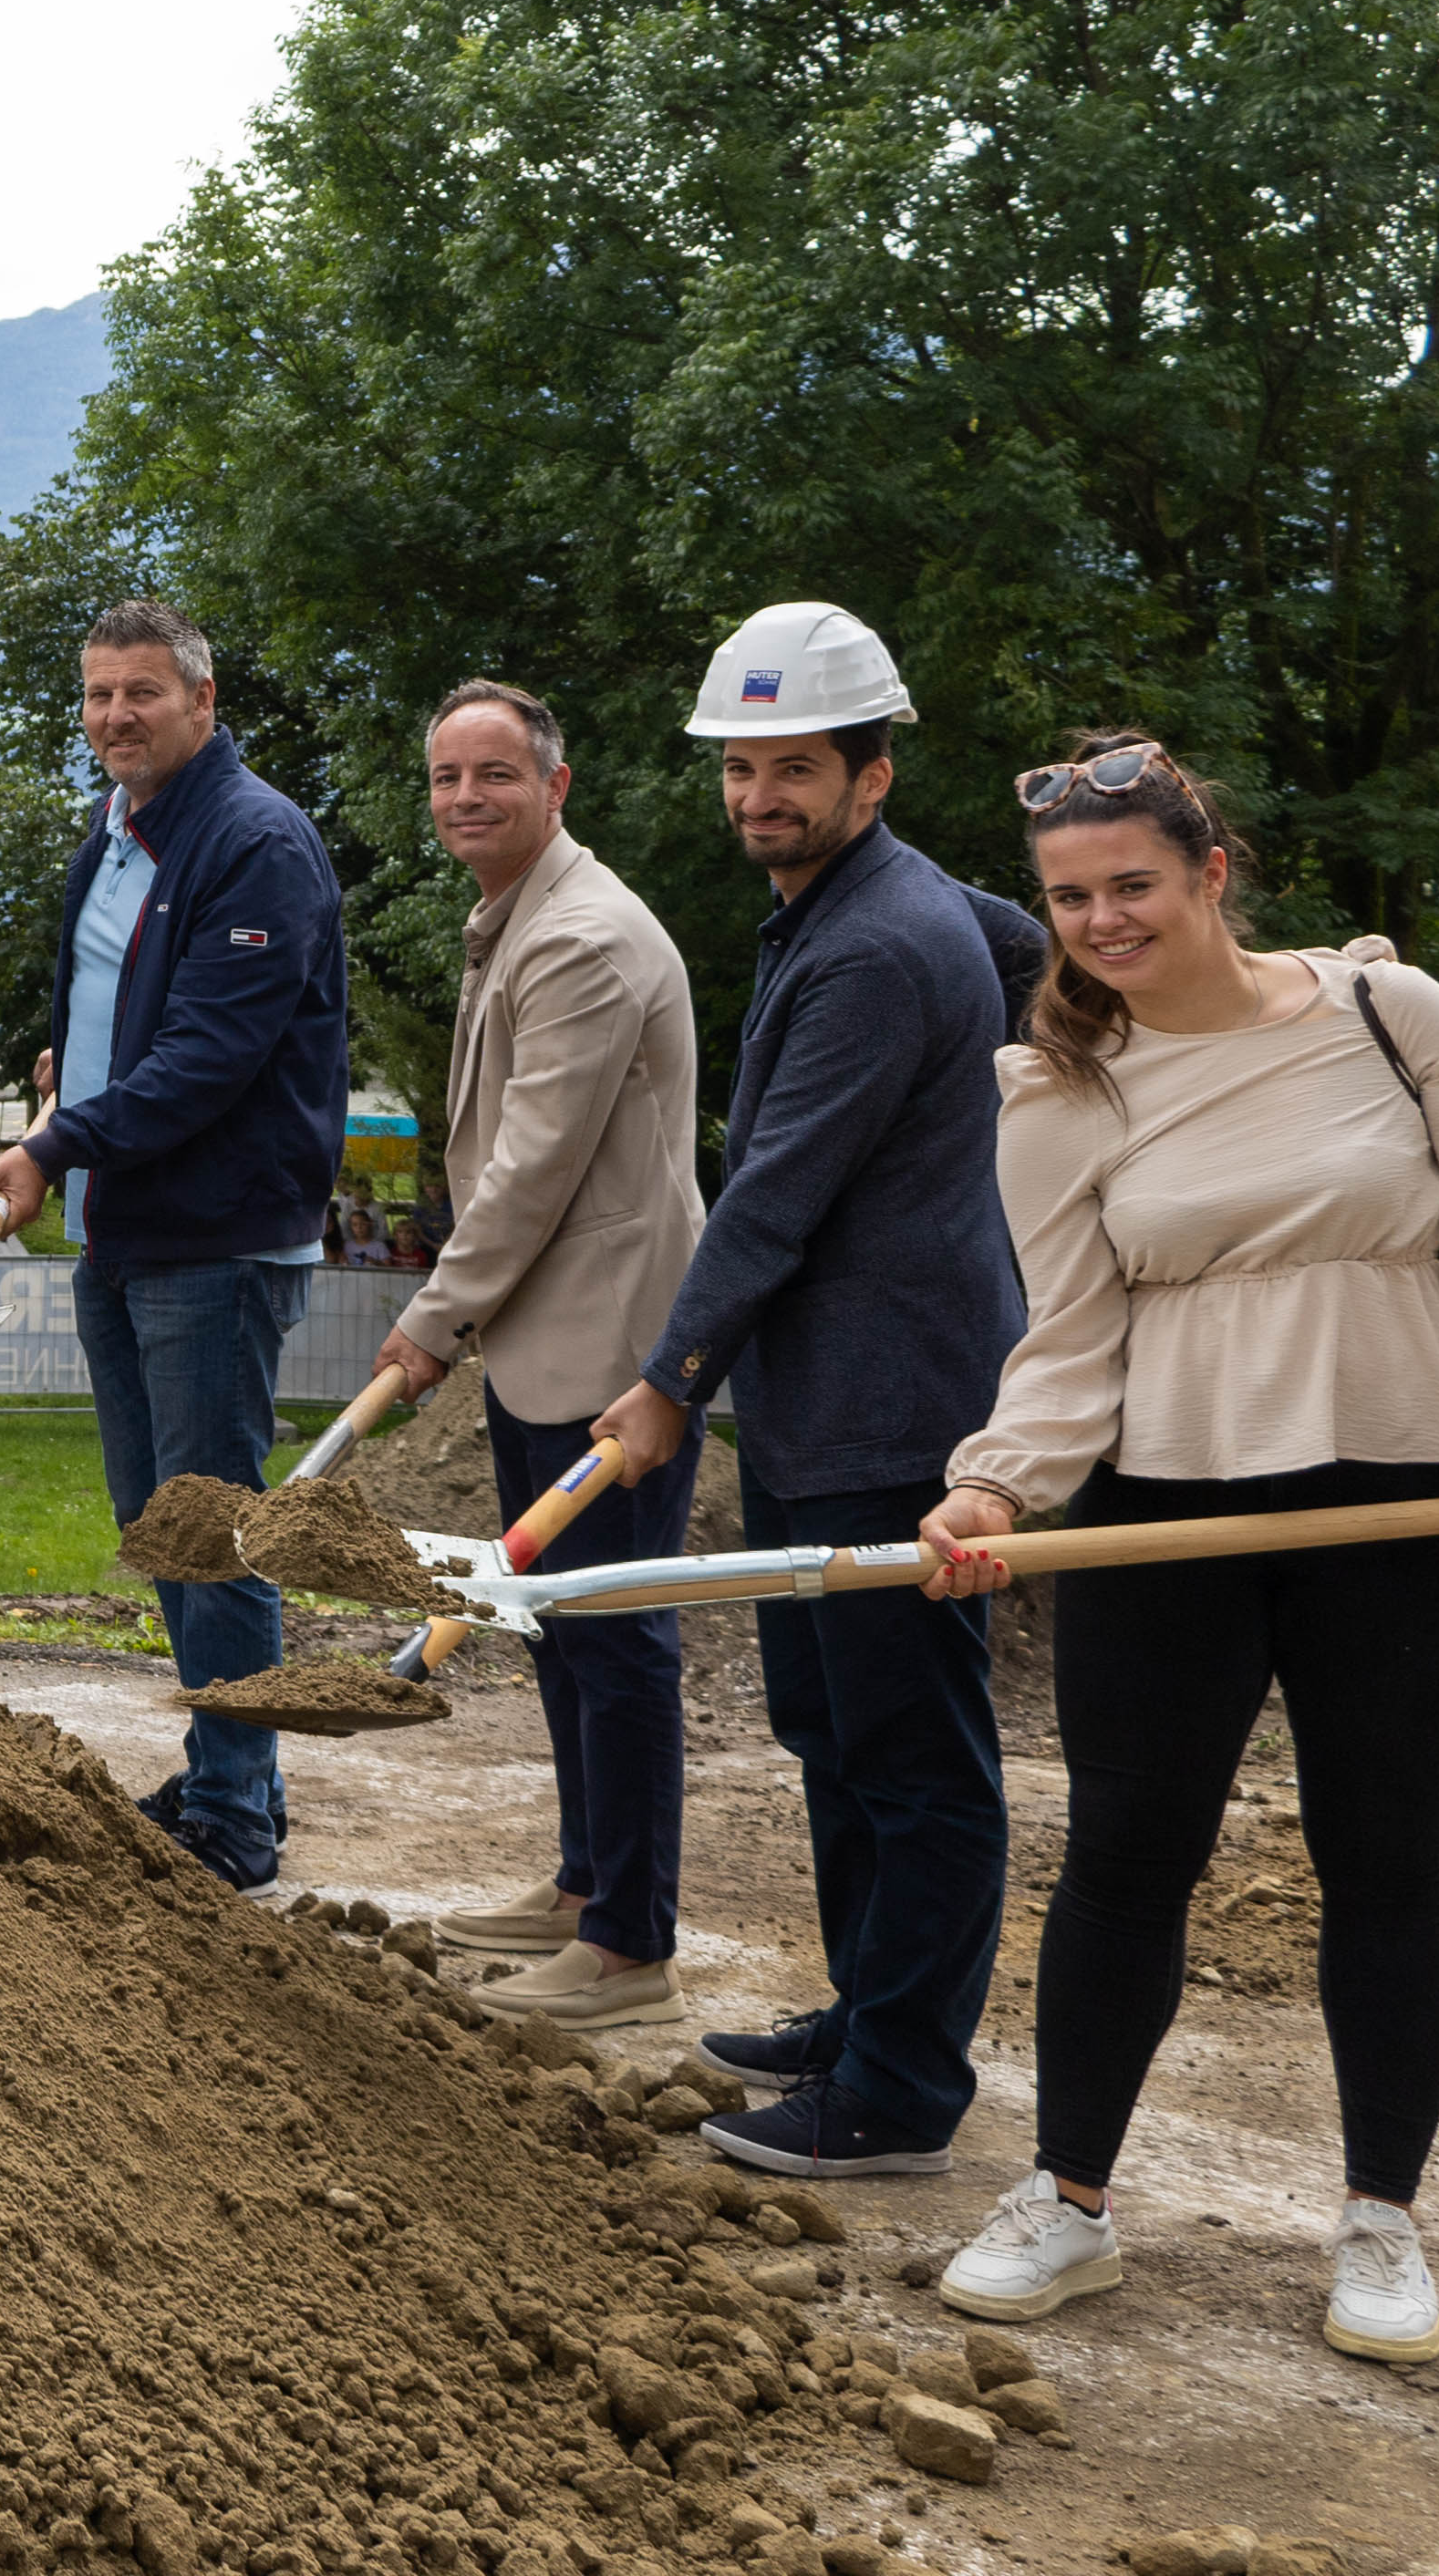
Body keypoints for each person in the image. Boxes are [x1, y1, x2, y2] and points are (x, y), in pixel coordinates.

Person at [925, 738, 1439, 2366]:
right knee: (1123, 1858)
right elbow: (1069, 1338)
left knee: (1385, 1858)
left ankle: (1382, 2223)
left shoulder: (1394, 1017)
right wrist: (999, 1490)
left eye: (1133, 885)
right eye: (1072, 897)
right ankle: (1069, 2202)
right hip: (1168, 1515)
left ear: (1210, 873)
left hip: (1403, 1508)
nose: (1102, 919)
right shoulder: (1057, 1089)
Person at [585, 600, 1026, 2179]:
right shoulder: (881, 910)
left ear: (873, 775)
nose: (759, 795)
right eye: (742, 766)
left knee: (911, 1755)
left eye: (795, 769)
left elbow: (772, 1193)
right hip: (824, 1398)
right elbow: (1026, 941)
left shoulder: (876, 947)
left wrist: (664, 1384)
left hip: (892, 1409)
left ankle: (900, 2088)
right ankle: (868, 2010)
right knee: (833, 1728)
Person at [0, 598, 347, 1897]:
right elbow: (128, 1014)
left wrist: (55, 1147)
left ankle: (239, 1810)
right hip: (128, 1228)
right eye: (97, 696)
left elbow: (208, 1062)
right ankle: (226, 1757)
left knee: (209, 1527)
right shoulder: (119, 829)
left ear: (203, 698)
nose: (114, 717)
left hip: (217, 1236)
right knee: (155, 1522)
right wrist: (69, 1072)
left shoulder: (255, 843)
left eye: (140, 693)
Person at [382, 679, 704, 2026]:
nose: (467, 799)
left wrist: (430, 1319)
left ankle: (628, 1944)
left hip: (605, 1342)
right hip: (543, 1336)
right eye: (449, 777)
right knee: (557, 1627)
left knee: (614, 1637)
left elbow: (530, 1172)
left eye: (495, 775)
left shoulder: (580, 939)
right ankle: (584, 1886)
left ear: (556, 785)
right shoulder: (516, 918)